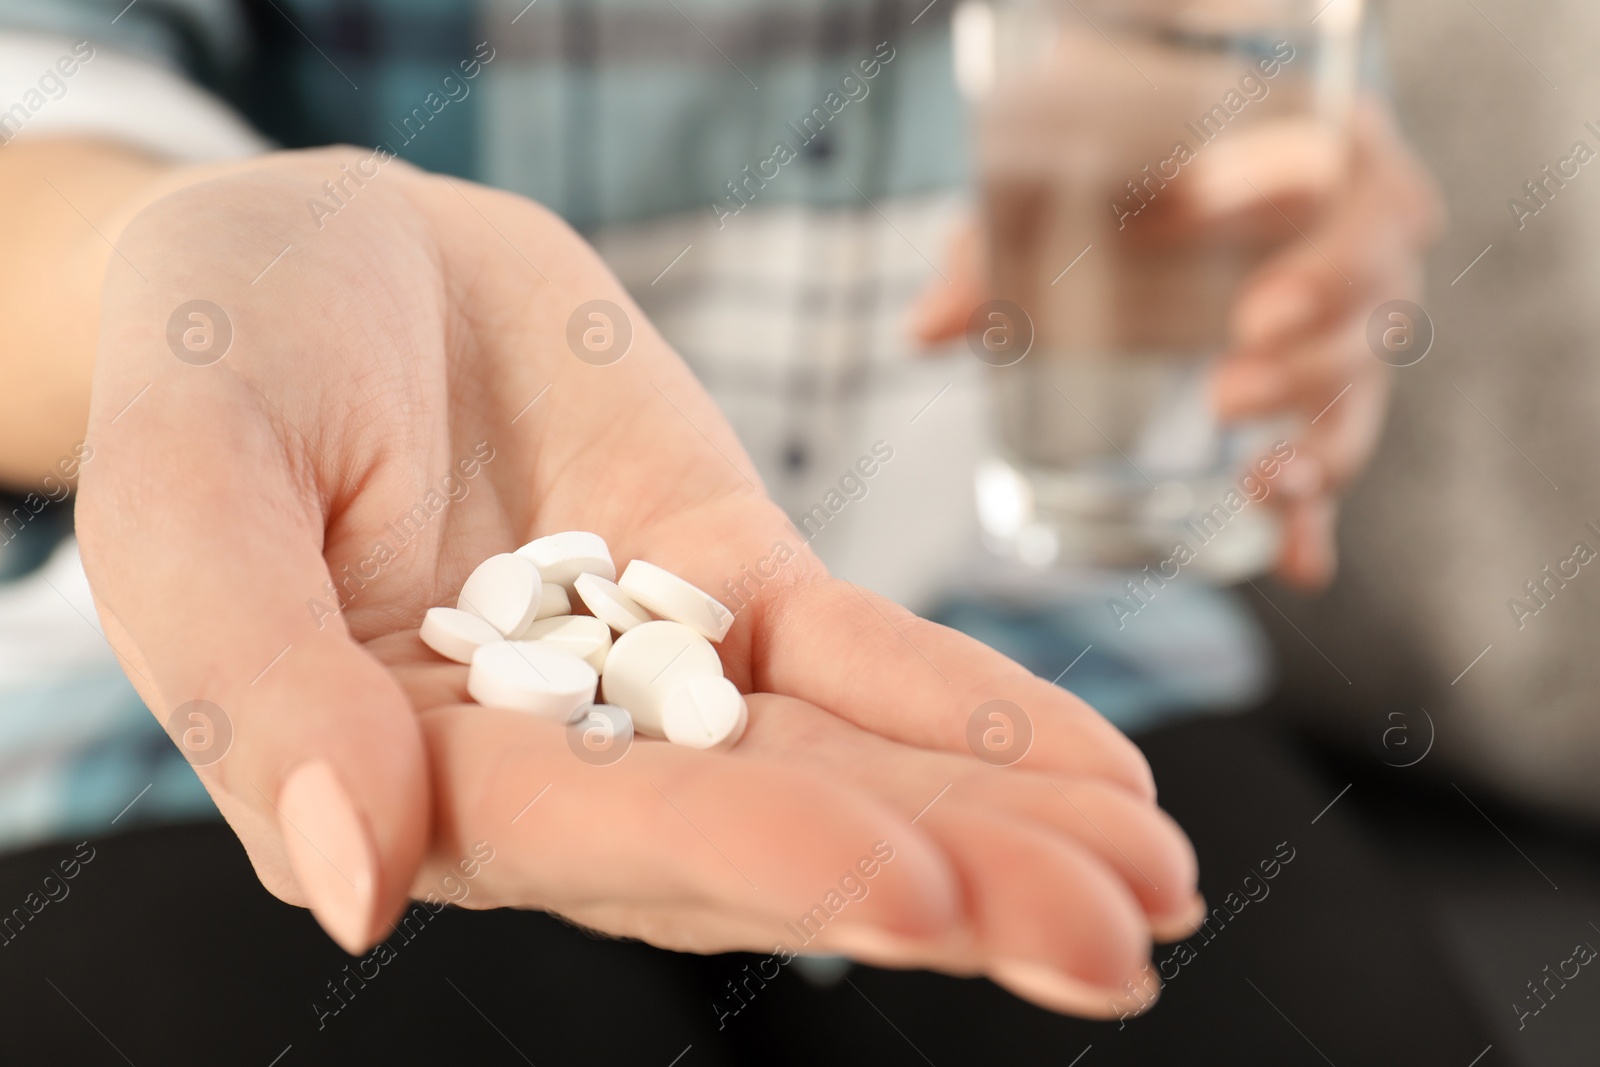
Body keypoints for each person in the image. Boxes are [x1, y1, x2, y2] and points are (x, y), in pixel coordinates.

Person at [0, 0, 1438, 1059]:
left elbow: (1227, 82)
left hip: (1033, 632)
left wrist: (1274, 219)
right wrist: (179, 293)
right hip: (232, 680)